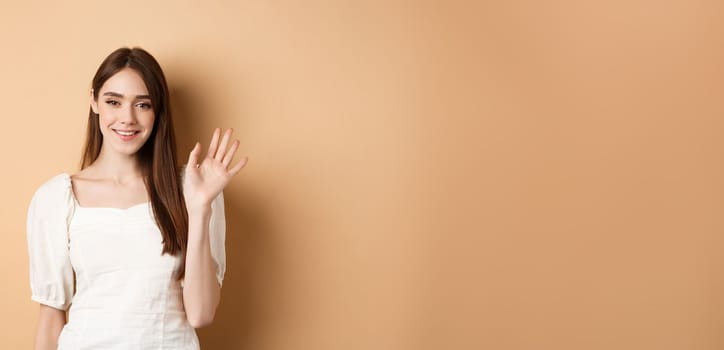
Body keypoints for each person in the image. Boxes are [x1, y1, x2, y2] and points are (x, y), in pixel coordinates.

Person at [26, 47, 247, 349]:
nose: (127, 118)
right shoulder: (55, 198)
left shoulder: (193, 189)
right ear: (94, 102)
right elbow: (50, 321)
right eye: (113, 102)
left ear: (158, 112)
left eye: (142, 105)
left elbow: (201, 313)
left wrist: (200, 208)